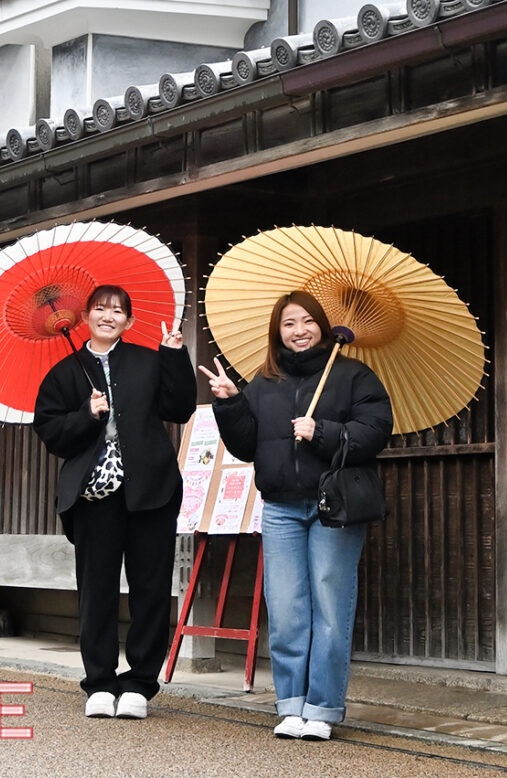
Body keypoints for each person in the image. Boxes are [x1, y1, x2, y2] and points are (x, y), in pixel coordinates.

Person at [199, 291, 392, 741]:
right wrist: (230, 402)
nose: (299, 330)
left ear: (323, 327)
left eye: (307, 321)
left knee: (329, 606)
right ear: (277, 331)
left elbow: (376, 430)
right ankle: (289, 705)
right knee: (286, 609)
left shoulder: (352, 375)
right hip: (281, 507)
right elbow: (247, 445)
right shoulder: (264, 384)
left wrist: (321, 430)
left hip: (334, 508)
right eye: (288, 323)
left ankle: (322, 708)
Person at [32, 285, 194, 721]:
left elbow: (179, 408)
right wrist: (86, 414)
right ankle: (100, 681)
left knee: (151, 588)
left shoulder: (148, 360)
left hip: (151, 492)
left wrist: (175, 354)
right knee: (97, 589)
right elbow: (49, 432)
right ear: (85, 316)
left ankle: (141, 681)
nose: (108, 316)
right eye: (100, 309)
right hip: (93, 495)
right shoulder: (65, 373)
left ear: (129, 321)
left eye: (118, 311)